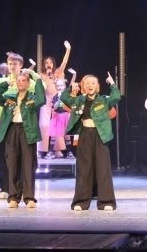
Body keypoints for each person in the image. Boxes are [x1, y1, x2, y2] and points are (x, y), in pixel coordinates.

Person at [60, 72, 120, 211]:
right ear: (84, 86)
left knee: (103, 169)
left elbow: (116, 97)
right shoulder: (79, 100)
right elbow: (64, 97)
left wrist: (112, 83)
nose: (90, 85)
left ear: (97, 86)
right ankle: (81, 202)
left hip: (101, 136)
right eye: (87, 83)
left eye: (93, 83)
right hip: (85, 135)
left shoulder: (104, 100)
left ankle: (106, 202)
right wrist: (71, 87)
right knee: (84, 169)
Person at [0, 53, 35, 200]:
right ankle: (5, 188)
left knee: (21, 157)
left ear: (21, 66)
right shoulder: (2, 82)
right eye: (10, 64)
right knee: (3, 156)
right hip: (4, 124)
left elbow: (40, 89)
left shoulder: (26, 82)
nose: (12, 66)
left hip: (22, 124)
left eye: (15, 64)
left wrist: (32, 74)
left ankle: (20, 188)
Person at [0, 69, 45, 209]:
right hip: (11, 131)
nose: (20, 82)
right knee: (12, 164)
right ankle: (14, 197)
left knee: (28, 165)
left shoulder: (32, 97)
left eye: (23, 80)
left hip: (27, 131)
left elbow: (42, 99)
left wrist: (38, 79)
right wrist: (5, 84)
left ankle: (29, 197)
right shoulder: (9, 97)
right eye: (18, 80)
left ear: (28, 84)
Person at [39, 40, 71, 159]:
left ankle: (58, 150)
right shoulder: (42, 75)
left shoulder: (58, 73)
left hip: (57, 101)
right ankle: (44, 150)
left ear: (53, 64)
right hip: (46, 102)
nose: (48, 64)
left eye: (50, 62)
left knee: (58, 125)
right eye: (46, 62)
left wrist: (68, 50)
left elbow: (64, 62)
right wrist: (47, 76)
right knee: (45, 125)